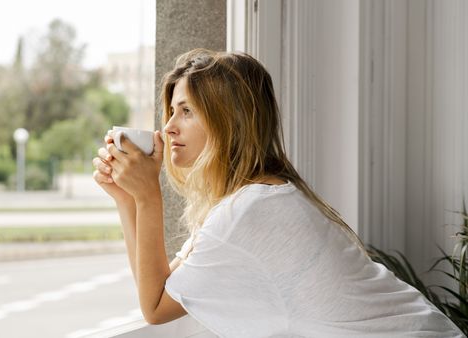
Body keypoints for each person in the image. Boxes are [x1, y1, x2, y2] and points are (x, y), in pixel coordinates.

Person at [92, 49, 464, 337]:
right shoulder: (252, 199)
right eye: (171, 112)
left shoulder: (250, 212)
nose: (169, 127)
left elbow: (156, 306)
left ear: (229, 121)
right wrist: (126, 198)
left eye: (186, 111)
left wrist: (147, 197)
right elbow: (161, 284)